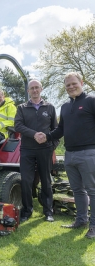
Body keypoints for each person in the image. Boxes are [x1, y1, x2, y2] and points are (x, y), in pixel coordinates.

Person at [40, 72, 95, 239]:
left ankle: (94, 226)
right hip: (70, 154)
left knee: (92, 191)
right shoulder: (64, 107)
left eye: (74, 83)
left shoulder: (91, 101)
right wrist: (47, 136)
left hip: (88, 153)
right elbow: (61, 130)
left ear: (81, 82)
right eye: (68, 85)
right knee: (77, 190)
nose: (71, 87)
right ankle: (81, 220)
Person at [14, 79, 58, 223]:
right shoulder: (22, 108)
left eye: (36, 87)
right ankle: (27, 210)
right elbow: (18, 126)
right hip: (27, 149)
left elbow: (56, 129)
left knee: (46, 181)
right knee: (26, 180)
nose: (34, 90)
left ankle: (48, 211)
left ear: (41, 89)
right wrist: (34, 134)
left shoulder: (50, 107)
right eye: (31, 88)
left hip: (45, 150)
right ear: (28, 91)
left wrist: (53, 146)